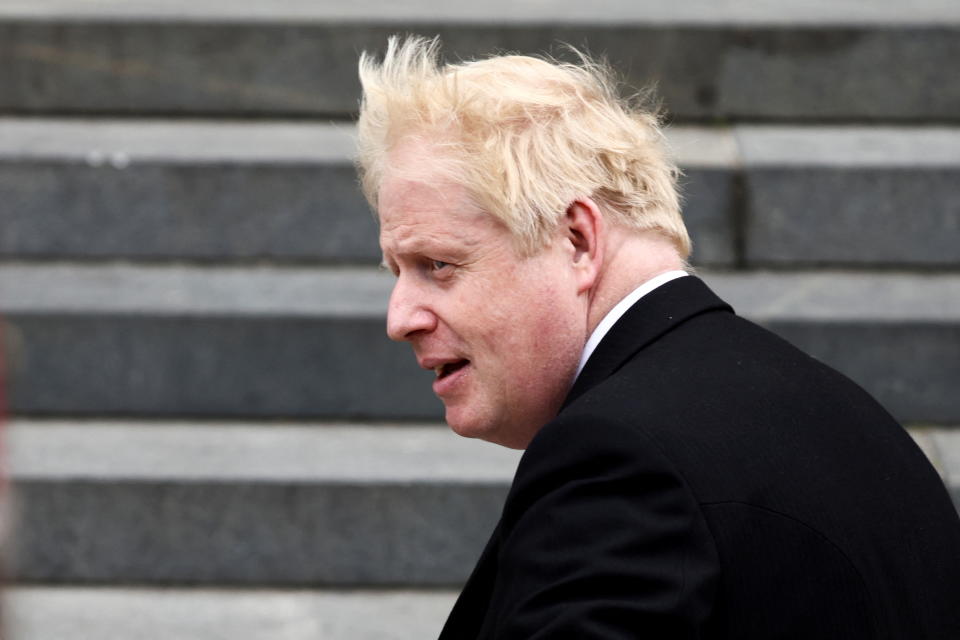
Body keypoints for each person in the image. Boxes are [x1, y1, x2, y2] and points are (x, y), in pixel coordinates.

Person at [356, 36, 960, 639]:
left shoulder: (622, 460)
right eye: (396, 272)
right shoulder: (849, 418)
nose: (400, 317)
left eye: (439, 264)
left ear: (577, 241)